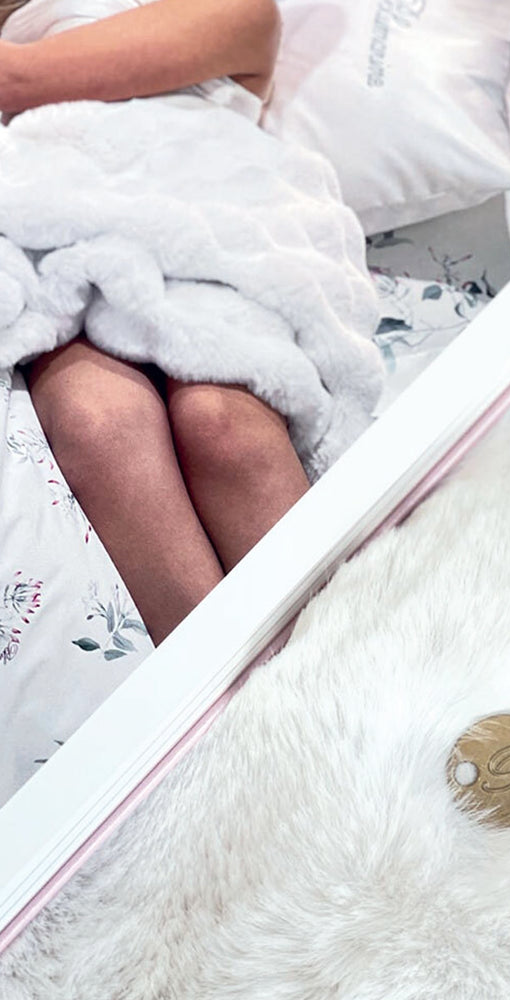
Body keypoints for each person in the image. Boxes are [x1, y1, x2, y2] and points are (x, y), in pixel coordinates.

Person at [0, 0, 355, 645]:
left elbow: (16, 80)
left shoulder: (227, 11)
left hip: (205, 226)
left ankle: (350, 675)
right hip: (60, 234)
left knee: (224, 428)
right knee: (100, 424)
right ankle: (225, 702)